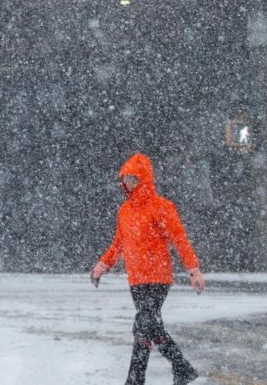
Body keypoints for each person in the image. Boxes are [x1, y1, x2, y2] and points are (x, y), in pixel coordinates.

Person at [91, 152, 206, 385]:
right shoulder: (124, 211)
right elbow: (118, 244)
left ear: (144, 178)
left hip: (158, 277)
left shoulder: (162, 207)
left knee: (144, 324)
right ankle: (182, 369)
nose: (127, 183)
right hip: (136, 280)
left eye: (132, 179)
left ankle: (135, 380)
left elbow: (179, 239)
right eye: (125, 179)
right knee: (148, 327)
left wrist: (193, 270)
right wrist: (102, 265)